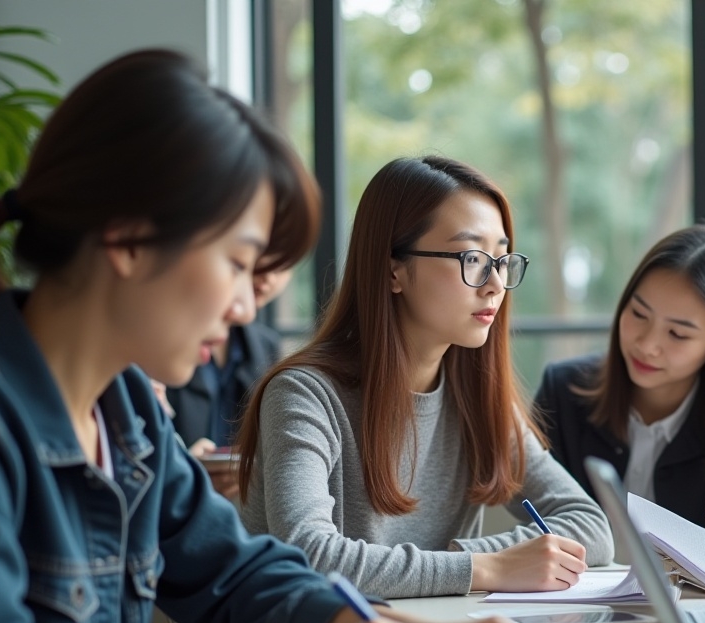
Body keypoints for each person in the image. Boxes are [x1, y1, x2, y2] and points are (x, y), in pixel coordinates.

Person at [0, 51, 568, 623]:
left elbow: (234, 572)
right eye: (237, 263)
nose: (246, 308)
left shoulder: (128, 414)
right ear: (127, 239)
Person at [237, 156, 615, 599]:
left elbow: (592, 527)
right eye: (472, 257)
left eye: (501, 259)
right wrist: (487, 568)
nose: (495, 284)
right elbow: (309, 553)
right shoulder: (304, 394)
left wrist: (466, 558)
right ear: (393, 270)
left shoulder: (477, 398)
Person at [534, 225, 705, 527]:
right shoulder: (562, 389)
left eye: (677, 333)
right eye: (639, 314)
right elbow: (536, 507)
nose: (647, 345)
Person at [165, 255, 294, 499]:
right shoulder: (157, 356)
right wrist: (180, 475)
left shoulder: (267, 347)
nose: (269, 278)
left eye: (285, 265)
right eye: (262, 257)